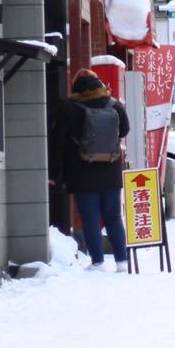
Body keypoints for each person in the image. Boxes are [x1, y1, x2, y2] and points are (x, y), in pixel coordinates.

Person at [50, 69, 130, 272]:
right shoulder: (114, 105)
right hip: (111, 169)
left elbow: (57, 143)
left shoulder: (69, 109)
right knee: (113, 217)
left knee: (90, 217)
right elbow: (125, 130)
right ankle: (122, 261)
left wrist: (53, 174)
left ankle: (98, 262)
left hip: (82, 171)